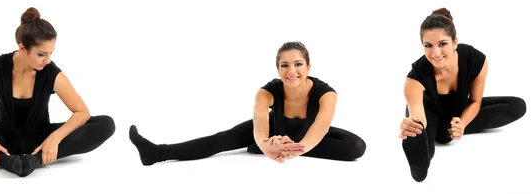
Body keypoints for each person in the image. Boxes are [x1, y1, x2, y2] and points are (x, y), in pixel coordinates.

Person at [0, 7, 116, 177]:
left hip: (40, 141)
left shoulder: (51, 72)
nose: (47, 60)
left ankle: (35, 160)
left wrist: (54, 139)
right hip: (2, 139)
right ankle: (5, 161)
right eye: (41, 54)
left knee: (106, 124)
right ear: (22, 48)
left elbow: (82, 112)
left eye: (51, 53)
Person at [129, 41, 366, 166]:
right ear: (278, 69)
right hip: (276, 129)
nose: (291, 71)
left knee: (356, 147)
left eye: (298, 64)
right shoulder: (266, 92)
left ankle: (272, 146)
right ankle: (157, 153)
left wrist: (292, 150)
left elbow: (320, 127)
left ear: (308, 67)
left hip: (309, 134)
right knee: (222, 139)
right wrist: (265, 145)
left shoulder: (326, 94)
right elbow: (261, 121)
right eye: (284, 65)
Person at [399, 8, 526, 182]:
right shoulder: (414, 78)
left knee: (518, 105)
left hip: (458, 112)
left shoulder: (476, 60)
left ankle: (447, 132)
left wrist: (462, 124)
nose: (435, 53)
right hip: (430, 113)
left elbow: (475, 102)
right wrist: (414, 125)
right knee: (421, 131)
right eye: (428, 45)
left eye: (442, 44)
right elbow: (418, 114)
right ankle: (423, 153)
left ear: (455, 42)